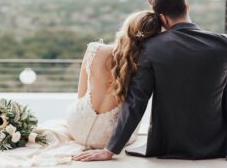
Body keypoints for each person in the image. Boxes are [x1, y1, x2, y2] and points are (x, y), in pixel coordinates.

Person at [73, 0, 227, 162]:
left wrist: (110, 150)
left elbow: (136, 101)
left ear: (162, 18)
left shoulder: (150, 49)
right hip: (224, 143)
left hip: (171, 145)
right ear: (187, 7)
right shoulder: (223, 43)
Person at [67, 11, 162, 150]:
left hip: (77, 126)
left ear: (127, 28)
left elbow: (81, 95)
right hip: (110, 138)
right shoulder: (144, 65)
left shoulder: (94, 49)